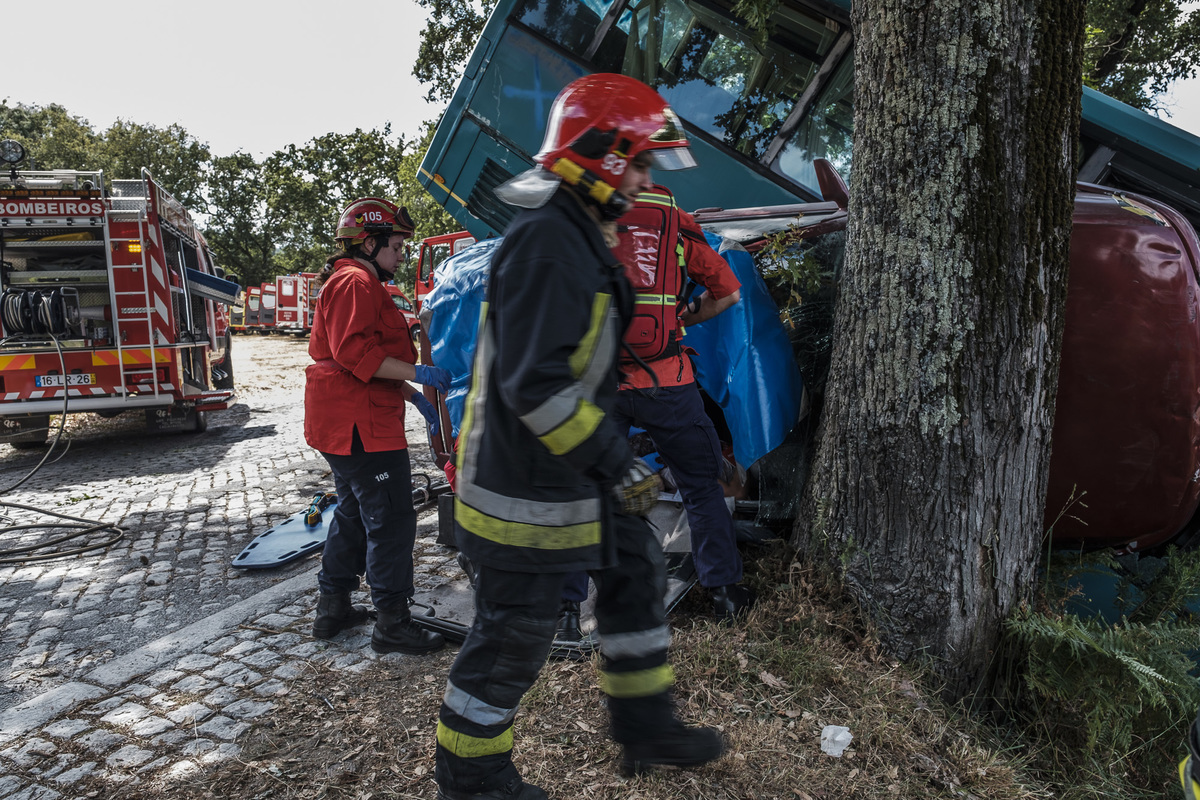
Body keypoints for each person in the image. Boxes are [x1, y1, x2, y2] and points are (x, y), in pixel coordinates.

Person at [434, 74, 725, 800]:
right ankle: (471, 779)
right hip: (520, 492)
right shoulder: (548, 244)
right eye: (642, 161)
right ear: (605, 155)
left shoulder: (574, 233)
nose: (647, 178)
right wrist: (614, 461)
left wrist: (604, 462)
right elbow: (536, 385)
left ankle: (644, 723)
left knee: (635, 568)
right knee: (513, 641)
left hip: (564, 475)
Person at [304, 197, 450, 656]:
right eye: (397, 245)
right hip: (360, 427)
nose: (402, 254)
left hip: (349, 420)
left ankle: (333, 608)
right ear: (369, 243)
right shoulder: (355, 281)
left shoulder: (359, 280)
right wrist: (419, 375)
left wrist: (413, 398)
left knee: (351, 511)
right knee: (390, 519)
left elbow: (370, 360)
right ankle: (392, 623)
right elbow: (354, 355)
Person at [613, 186, 755, 619]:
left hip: (600, 381)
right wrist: (678, 316)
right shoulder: (671, 217)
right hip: (668, 380)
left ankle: (565, 611)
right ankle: (725, 597)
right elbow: (729, 293)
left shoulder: (580, 210)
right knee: (700, 486)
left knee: (585, 493)